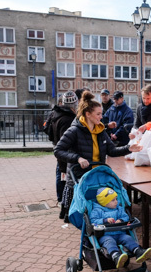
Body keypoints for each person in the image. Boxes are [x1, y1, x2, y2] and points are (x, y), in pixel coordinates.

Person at [54, 91, 141, 223]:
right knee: (83, 213)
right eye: (98, 114)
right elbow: (58, 150)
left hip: (96, 175)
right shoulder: (74, 130)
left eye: (101, 113)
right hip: (81, 176)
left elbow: (111, 150)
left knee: (97, 209)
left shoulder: (100, 131)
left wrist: (129, 148)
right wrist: (77, 158)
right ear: (88, 114)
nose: (102, 117)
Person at [90, 187, 151, 268]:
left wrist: (121, 219)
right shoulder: (97, 210)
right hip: (105, 235)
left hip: (120, 233)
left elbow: (126, 217)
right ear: (104, 202)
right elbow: (93, 221)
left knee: (128, 238)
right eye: (113, 200)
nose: (116, 202)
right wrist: (104, 220)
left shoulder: (119, 209)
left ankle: (138, 251)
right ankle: (116, 256)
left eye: (116, 199)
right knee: (109, 242)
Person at [50, 91, 78, 215]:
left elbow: (49, 133)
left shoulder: (56, 114)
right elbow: (66, 140)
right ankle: (64, 205)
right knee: (66, 180)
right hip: (66, 154)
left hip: (59, 150)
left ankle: (61, 201)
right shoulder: (68, 119)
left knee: (60, 175)